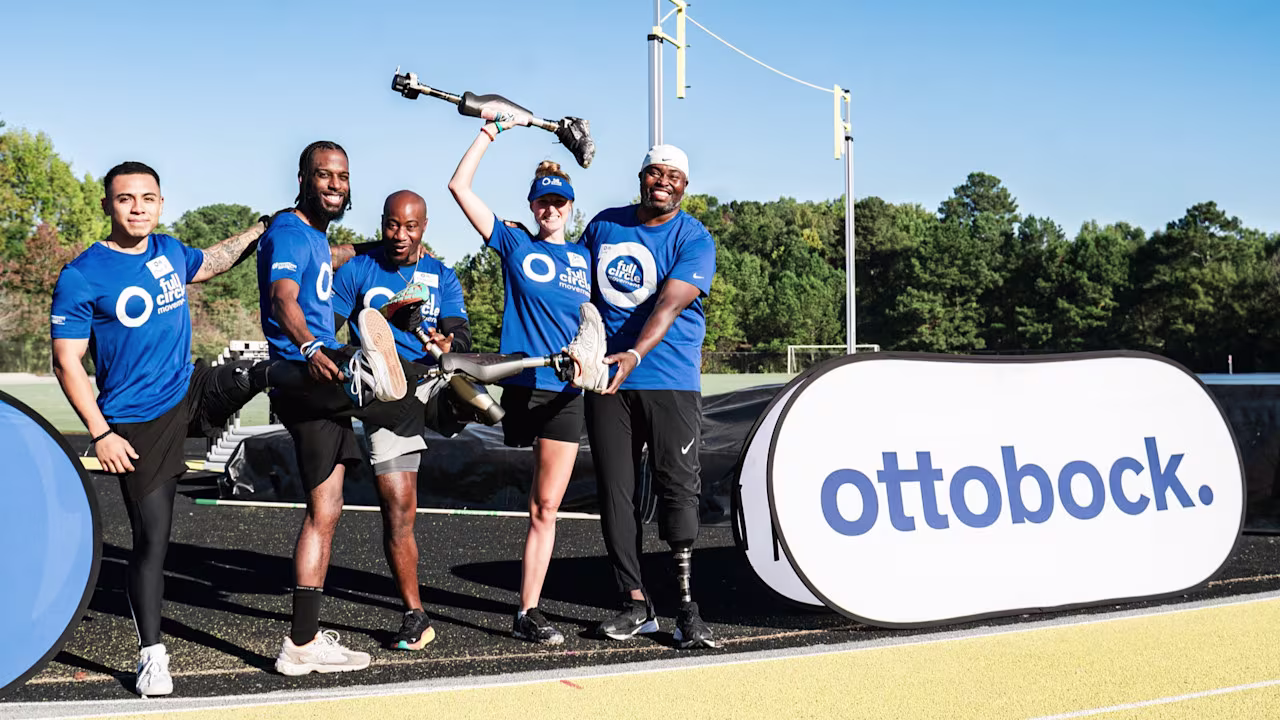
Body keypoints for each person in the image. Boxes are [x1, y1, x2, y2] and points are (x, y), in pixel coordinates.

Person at [50, 161, 273, 696]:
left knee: (262, 369)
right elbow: (67, 362)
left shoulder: (169, 250)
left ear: (160, 203)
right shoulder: (83, 275)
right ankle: (152, 654)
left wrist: (263, 229)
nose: (137, 208)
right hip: (135, 420)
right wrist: (102, 433)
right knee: (153, 541)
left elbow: (214, 261)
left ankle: (355, 378)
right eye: (125, 199)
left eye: (147, 198)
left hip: (188, 390)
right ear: (107, 205)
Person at [257, 140, 418, 676]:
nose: (334, 184)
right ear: (303, 177)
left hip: (320, 379)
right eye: (324, 175)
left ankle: (302, 644)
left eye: (342, 177)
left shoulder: (315, 239)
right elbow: (283, 297)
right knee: (381, 382)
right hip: (306, 370)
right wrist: (309, 345)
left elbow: (335, 256)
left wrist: (379, 245)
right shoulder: (286, 230)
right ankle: (372, 368)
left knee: (325, 511)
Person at [448, 118, 597, 644]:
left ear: (570, 207)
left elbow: (599, 319)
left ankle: (527, 611)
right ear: (533, 206)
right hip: (519, 383)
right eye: (543, 202)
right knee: (448, 407)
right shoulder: (515, 244)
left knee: (545, 507)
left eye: (559, 202)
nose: (551, 209)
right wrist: (489, 132)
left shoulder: (586, 257)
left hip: (565, 393)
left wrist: (592, 355)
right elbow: (459, 188)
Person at [580, 144, 719, 649]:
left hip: (668, 379)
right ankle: (635, 604)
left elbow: (667, 304)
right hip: (608, 383)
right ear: (641, 177)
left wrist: (635, 353)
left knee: (677, 491)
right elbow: (577, 292)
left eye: (674, 176)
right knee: (616, 494)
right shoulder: (603, 226)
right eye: (655, 173)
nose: (663, 181)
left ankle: (687, 608)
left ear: (685, 186)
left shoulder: (694, 237)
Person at [330, 189, 470, 651]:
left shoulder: (441, 275)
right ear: (382, 223)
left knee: (472, 382)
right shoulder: (358, 272)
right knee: (398, 509)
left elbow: (459, 331)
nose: (400, 235)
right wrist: (355, 357)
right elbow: (325, 331)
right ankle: (415, 614)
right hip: (387, 394)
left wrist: (452, 344)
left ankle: (467, 407)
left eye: (411, 227)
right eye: (392, 224)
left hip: (433, 379)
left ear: (424, 228)